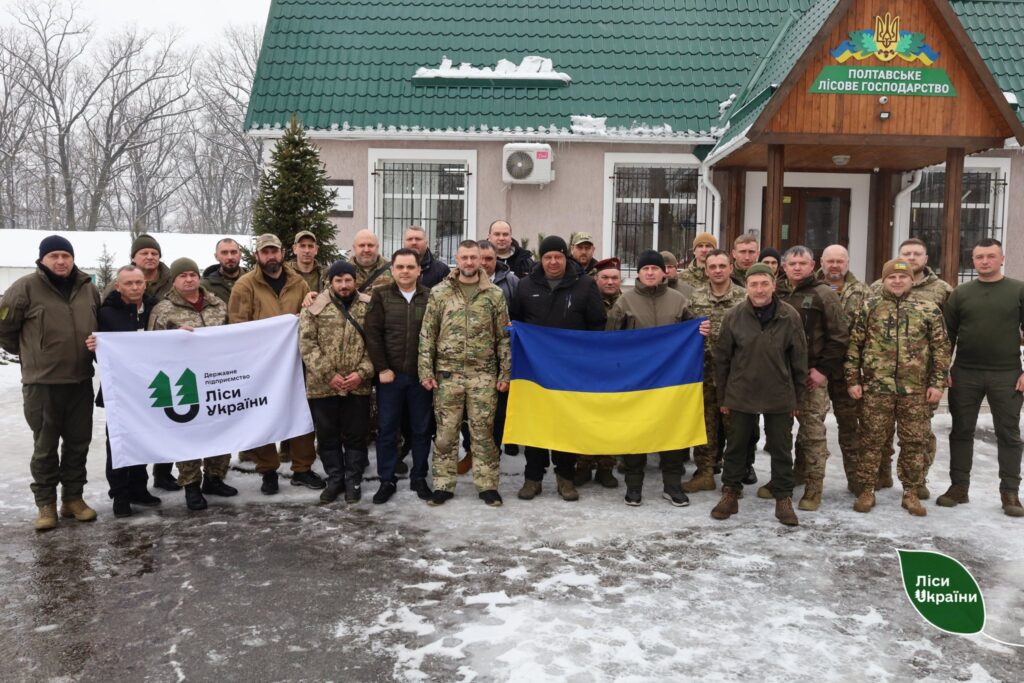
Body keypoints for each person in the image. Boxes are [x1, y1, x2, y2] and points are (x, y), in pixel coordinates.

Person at [0, 235, 101, 531]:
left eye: (65, 256)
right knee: (45, 447)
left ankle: (72, 499)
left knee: (78, 444)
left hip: (80, 380)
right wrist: (31, 353)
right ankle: (45, 505)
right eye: (54, 256)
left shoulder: (88, 289)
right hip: (42, 384)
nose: (60, 261)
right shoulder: (24, 288)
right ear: (42, 259)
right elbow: (4, 328)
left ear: (72, 258)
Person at [845, 259, 949, 517]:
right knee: (871, 441)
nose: (898, 281)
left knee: (914, 442)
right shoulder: (869, 306)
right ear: (884, 280)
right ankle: (867, 489)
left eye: (903, 277)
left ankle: (911, 492)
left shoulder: (928, 308)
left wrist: (937, 384)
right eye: (892, 277)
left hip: (914, 391)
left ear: (912, 280)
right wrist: (852, 380)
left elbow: (941, 349)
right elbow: (854, 346)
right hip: (876, 388)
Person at [607, 250, 709, 506]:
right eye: (645, 269)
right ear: (638, 273)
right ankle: (633, 486)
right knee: (635, 433)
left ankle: (672, 485)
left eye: (655, 268)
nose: (650, 273)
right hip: (635, 382)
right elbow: (610, 340)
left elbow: (693, 333)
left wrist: (700, 330)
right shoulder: (625, 302)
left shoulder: (679, 300)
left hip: (671, 381)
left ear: (664, 272)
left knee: (671, 432)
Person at [510, 235, 606, 501]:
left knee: (566, 424)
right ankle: (533, 478)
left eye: (559, 256)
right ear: (541, 258)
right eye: (548, 256)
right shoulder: (526, 286)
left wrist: (586, 357)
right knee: (536, 424)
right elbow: (516, 321)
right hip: (535, 370)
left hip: (571, 369)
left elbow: (597, 323)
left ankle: (566, 477)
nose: (553, 261)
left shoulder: (585, 285)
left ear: (567, 257)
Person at [711, 263, 807, 526]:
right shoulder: (734, 316)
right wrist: (723, 399)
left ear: (774, 285)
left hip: (779, 393)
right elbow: (722, 360)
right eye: (754, 284)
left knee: (781, 448)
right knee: (737, 446)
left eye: (764, 283)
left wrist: (797, 398)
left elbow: (799, 359)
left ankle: (783, 497)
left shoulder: (789, 316)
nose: (759, 289)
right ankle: (730, 492)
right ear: (747, 288)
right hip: (741, 392)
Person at [418, 240, 511, 506]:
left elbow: (503, 338)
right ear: (456, 259)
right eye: (464, 258)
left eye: (474, 258)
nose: (469, 262)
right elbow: (428, 335)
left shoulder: (493, 294)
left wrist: (505, 374)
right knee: (446, 433)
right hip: (448, 374)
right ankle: (444, 485)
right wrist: (426, 370)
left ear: (481, 260)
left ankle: (487, 485)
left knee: (483, 432)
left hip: (483, 375)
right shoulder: (440, 292)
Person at [229, 233, 324, 494]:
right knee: (263, 414)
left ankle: (302, 469)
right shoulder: (245, 285)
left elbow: (310, 317)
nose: (271, 256)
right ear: (257, 255)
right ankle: (268, 470)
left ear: (283, 253)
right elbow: (237, 324)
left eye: (275, 251)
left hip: (295, 360)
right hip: (260, 364)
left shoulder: (298, 283)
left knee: (300, 413)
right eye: (265, 252)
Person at [938, 239, 1024, 517]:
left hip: (1007, 374)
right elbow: (946, 336)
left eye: (990, 256)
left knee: (1008, 434)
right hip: (965, 373)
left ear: (1002, 259)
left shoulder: (1018, 290)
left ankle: (1010, 492)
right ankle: (958, 487)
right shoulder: (961, 293)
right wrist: (943, 371)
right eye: (979, 257)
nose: (984, 261)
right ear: (972, 260)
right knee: (961, 430)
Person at [148, 258, 237, 511]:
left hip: (216, 377)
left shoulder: (217, 303)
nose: (189, 279)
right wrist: (174, 338)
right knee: (189, 432)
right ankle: (191, 484)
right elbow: (151, 346)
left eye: (193, 274)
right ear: (174, 281)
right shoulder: (163, 309)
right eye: (183, 275)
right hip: (183, 380)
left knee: (219, 426)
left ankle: (214, 478)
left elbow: (233, 335)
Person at [870, 238, 952, 497]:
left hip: (920, 378)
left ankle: (918, 480)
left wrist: (942, 373)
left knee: (919, 434)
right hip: (882, 377)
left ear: (926, 258)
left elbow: (947, 335)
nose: (912, 257)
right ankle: (881, 474)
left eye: (918, 253)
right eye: (907, 253)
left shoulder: (941, 290)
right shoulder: (876, 288)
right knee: (879, 431)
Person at [772, 245, 848, 511]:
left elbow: (839, 337)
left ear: (812, 264)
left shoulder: (824, 294)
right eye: (792, 263)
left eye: (802, 263)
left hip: (811, 375)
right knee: (779, 433)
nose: (797, 268)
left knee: (812, 432)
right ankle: (788, 477)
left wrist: (822, 370)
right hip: (780, 375)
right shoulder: (775, 291)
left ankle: (814, 487)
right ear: (783, 266)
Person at [86, 265, 162, 517]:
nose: (135, 287)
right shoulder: (106, 313)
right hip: (120, 390)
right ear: (118, 286)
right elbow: (101, 354)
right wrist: (95, 346)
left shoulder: (155, 308)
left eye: (139, 282)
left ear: (145, 284)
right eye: (128, 283)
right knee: (118, 442)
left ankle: (139, 488)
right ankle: (119, 494)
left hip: (149, 387)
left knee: (144, 437)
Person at [299, 260, 374, 504]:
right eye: (338, 280)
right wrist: (328, 375)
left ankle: (353, 479)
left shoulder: (368, 307)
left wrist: (362, 373)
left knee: (356, 434)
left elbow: (377, 343)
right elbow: (307, 344)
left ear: (355, 281)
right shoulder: (314, 307)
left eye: (348, 280)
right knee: (328, 435)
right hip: (323, 386)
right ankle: (335, 478)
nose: (344, 285)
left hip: (357, 385)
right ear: (330, 282)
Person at [365, 249, 434, 503]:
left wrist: (429, 371)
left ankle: (419, 477)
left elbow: (437, 335)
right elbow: (372, 334)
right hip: (390, 378)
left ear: (419, 270)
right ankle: (387, 479)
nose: (405, 272)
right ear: (392, 270)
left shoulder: (430, 297)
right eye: (400, 267)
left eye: (410, 267)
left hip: (420, 377)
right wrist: (382, 368)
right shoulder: (381, 295)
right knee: (387, 430)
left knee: (421, 429)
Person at [683, 249, 747, 493]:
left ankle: (733, 479)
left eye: (723, 266)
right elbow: (683, 332)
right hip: (704, 374)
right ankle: (705, 473)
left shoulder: (744, 297)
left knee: (736, 429)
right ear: (706, 270)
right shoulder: (695, 297)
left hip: (736, 376)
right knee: (705, 426)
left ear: (731, 268)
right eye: (713, 267)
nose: (718, 271)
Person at [119, 233, 178, 491]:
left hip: (168, 363)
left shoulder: (172, 282)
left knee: (169, 419)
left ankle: (164, 473)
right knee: (141, 422)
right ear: (134, 256)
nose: (150, 256)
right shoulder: (119, 284)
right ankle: (136, 480)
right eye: (144, 253)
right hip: (133, 370)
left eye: (154, 253)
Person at [817, 244, 871, 494]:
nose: (835, 265)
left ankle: (857, 479)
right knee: (810, 426)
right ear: (822, 262)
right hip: (816, 369)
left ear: (847, 262)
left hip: (847, 371)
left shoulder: (862, 292)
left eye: (840, 261)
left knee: (850, 427)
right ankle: (803, 474)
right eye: (830, 261)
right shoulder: (810, 288)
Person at [575, 257, 623, 488]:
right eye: (605, 277)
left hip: (617, 369)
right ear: (596, 279)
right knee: (586, 417)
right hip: (588, 367)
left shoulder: (628, 302)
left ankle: (606, 467)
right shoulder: (584, 299)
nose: (610, 282)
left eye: (614, 278)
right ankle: (583, 465)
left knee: (611, 419)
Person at [201, 238, 247, 304]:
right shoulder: (205, 287)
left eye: (233, 252)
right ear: (216, 256)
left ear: (240, 255)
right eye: (224, 253)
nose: (230, 257)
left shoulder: (254, 281)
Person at [350, 229, 394, 293]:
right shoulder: (343, 271)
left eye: (370, 245)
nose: (366, 250)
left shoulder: (393, 270)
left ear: (377, 247)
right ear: (354, 248)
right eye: (361, 245)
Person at [286, 230, 327, 294]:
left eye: (310, 246)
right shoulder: (285, 272)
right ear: (294, 249)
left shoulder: (326, 274)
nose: (307, 251)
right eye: (302, 246)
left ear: (316, 249)